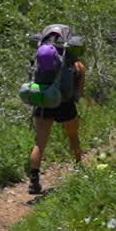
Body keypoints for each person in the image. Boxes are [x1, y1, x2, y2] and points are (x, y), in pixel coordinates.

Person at [28, 51, 85, 194]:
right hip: (66, 105)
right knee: (73, 136)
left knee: (40, 144)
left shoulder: (39, 64)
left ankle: (34, 181)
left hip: (44, 103)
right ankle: (79, 168)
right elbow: (79, 92)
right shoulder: (77, 65)